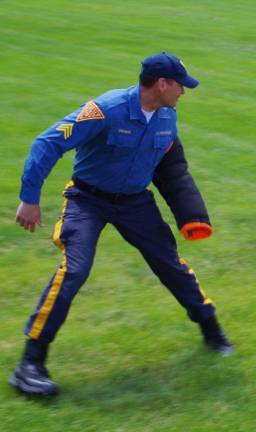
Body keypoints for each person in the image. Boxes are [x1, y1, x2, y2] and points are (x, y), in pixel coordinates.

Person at [10, 52, 233, 397]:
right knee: (75, 270)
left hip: (134, 203)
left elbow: (171, 168)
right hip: (87, 200)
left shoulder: (166, 117)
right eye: (180, 86)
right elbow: (49, 141)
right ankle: (30, 363)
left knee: (170, 265)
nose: (184, 93)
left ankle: (212, 329)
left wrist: (192, 215)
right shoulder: (105, 109)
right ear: (162, 84)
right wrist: (30, 197)